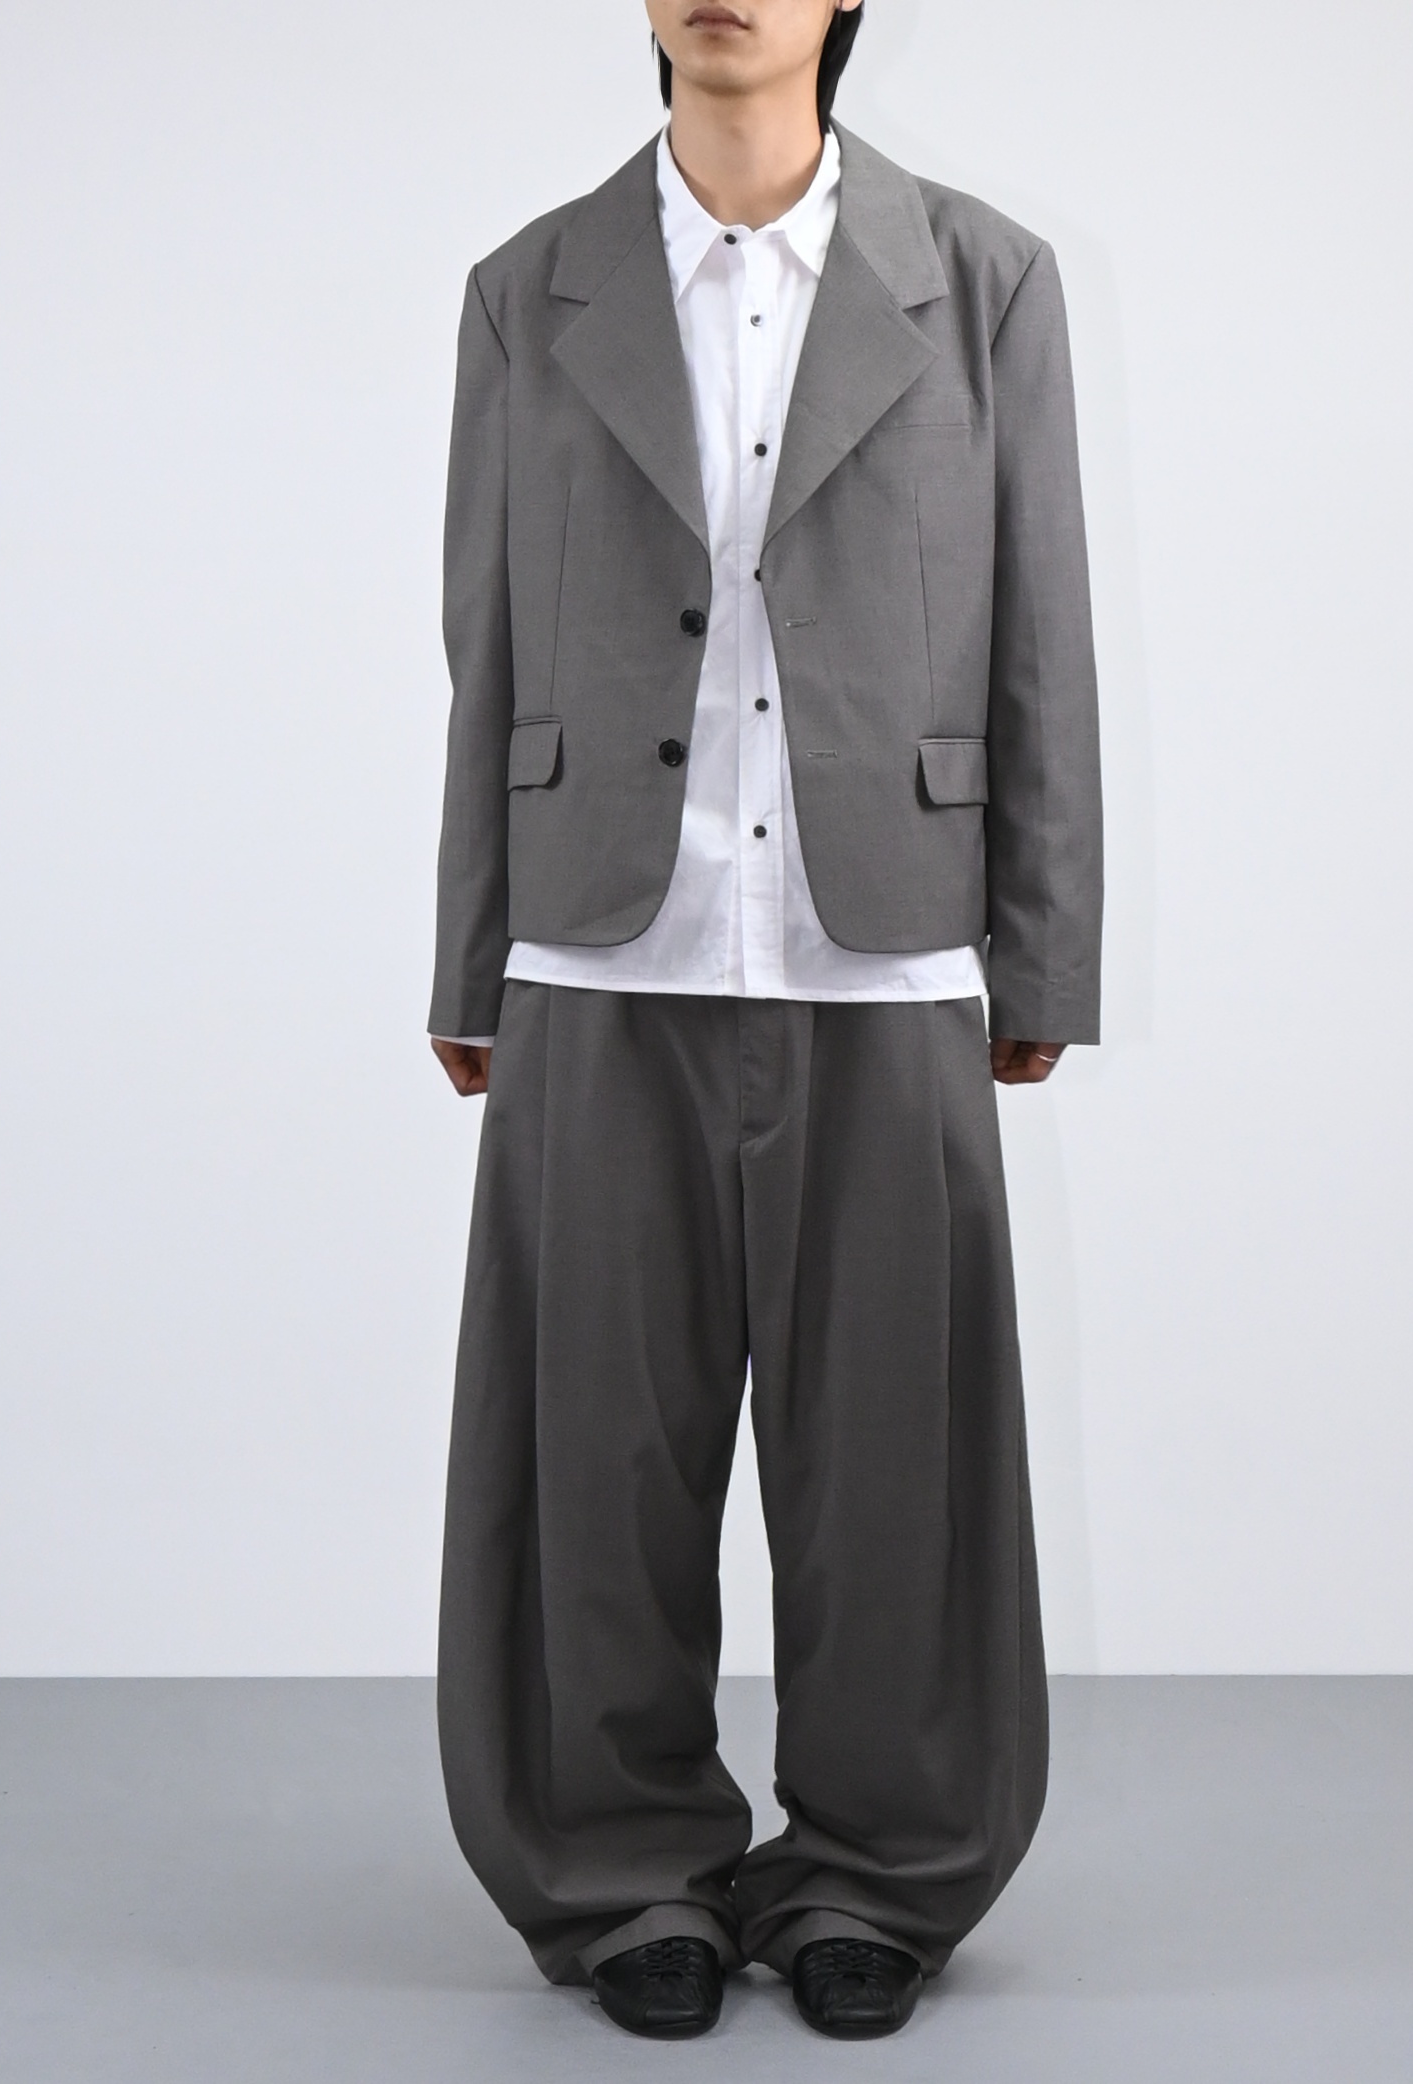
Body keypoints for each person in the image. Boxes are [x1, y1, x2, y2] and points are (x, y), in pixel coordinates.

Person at [426, 0, 1101, 2042]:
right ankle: (617, 1861)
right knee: (594, 1454)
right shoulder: (527, 287)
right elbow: (484, 641)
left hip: (882, 943)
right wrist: (470, 952)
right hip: (598, 947)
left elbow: (1041, 622)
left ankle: (877, 1865)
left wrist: (1041, 949)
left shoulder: (984, 278)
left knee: (897, 1450)